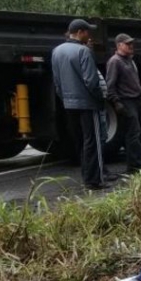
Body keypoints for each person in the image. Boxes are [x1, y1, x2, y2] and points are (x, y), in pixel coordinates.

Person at [52, 18, 111, 190]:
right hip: (87, 103)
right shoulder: (83, 51)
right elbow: (91, 81)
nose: (89, 35)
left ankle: (86, 177)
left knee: (81, 142)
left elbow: (57, 82)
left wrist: (65, 99)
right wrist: (100, 99)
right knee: (92, 142)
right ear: (79, 33)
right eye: (87, 32)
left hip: (69, 104)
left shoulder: (57, 51)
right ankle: (95, 180)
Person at [105, 33, 141, 174]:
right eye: (127, 44)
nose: (131, 46)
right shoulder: (115, 61)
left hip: (135, 100)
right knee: (133, 134)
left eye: (131, 43)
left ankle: (135, 165)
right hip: (126, 101)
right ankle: (136, 166)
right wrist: (116, 102)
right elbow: (110, 85)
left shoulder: (129, 60)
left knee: (134, 133)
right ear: (119, 45)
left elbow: (135, 83)